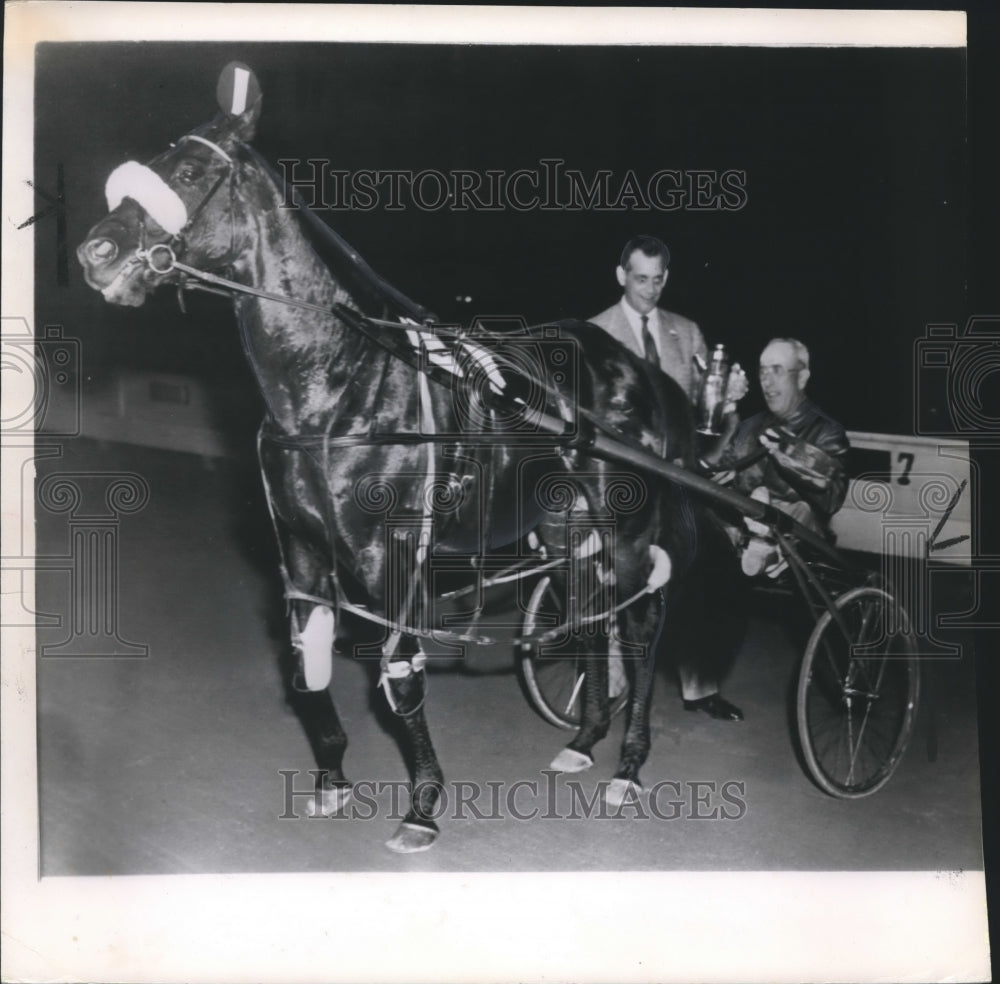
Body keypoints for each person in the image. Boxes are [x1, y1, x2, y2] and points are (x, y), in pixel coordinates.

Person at [590, 235, 747, 722]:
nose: (650, 289)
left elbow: (709, 421)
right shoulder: (595, 333)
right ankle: (611, 684)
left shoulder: (687, 333)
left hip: (680, 480)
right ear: (621, 276)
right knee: (617, 578)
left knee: (700, 573)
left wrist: (730, 402)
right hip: (623, 482)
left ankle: (701, 688)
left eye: (658, 279)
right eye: (640, 279)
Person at [715, 337, 849, 576]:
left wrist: (789, 453)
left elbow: (832, 499)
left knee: (800, 509)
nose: (766, 380)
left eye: (777, 370)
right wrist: (726, 409)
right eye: (762, 371)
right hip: (739, 540)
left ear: (802, 377)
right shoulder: (747, 428)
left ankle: (764, 539)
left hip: (800, 545)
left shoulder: (828, 431)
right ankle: (757, 534)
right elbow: (717, 476)